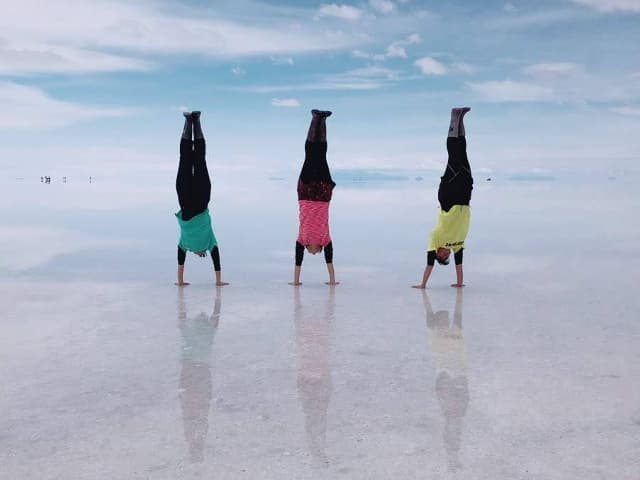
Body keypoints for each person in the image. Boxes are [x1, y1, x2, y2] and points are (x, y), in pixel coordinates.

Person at [413, 107, 473, 289]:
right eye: (448, 257)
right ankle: (460, 119)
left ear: (439, 254)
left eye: (444, 257)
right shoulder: (458, 246)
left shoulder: (435, 240)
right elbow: (460, 266)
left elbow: (429, 265)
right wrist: (459, 283)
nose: (448, 255)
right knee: (462, 153)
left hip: (448, 197)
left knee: (453, 156)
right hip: (464, 197)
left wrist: (423, 285)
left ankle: (454, 117)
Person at [175, 111, 229, 287]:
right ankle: (189, 121)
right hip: (186, 200)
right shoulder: (186, 244)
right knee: (187, 159)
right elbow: (180, 260)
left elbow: (216, 256)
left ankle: (195, 121)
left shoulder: (208, 242)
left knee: (198, 160)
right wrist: (180, 281)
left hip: (201, 199)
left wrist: (219, 280)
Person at [290, 109, 339, 286]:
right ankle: (322, 119)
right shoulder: (325, 240)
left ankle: (315, 118)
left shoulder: (302, 240)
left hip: (308, 193)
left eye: (311, 254)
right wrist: (332, 281)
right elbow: (330, 261)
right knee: (321, 154)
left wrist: (296, 282)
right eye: (317, 254)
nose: (314, 254)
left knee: (311, 153)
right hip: (321, 193)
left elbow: (297, 262)